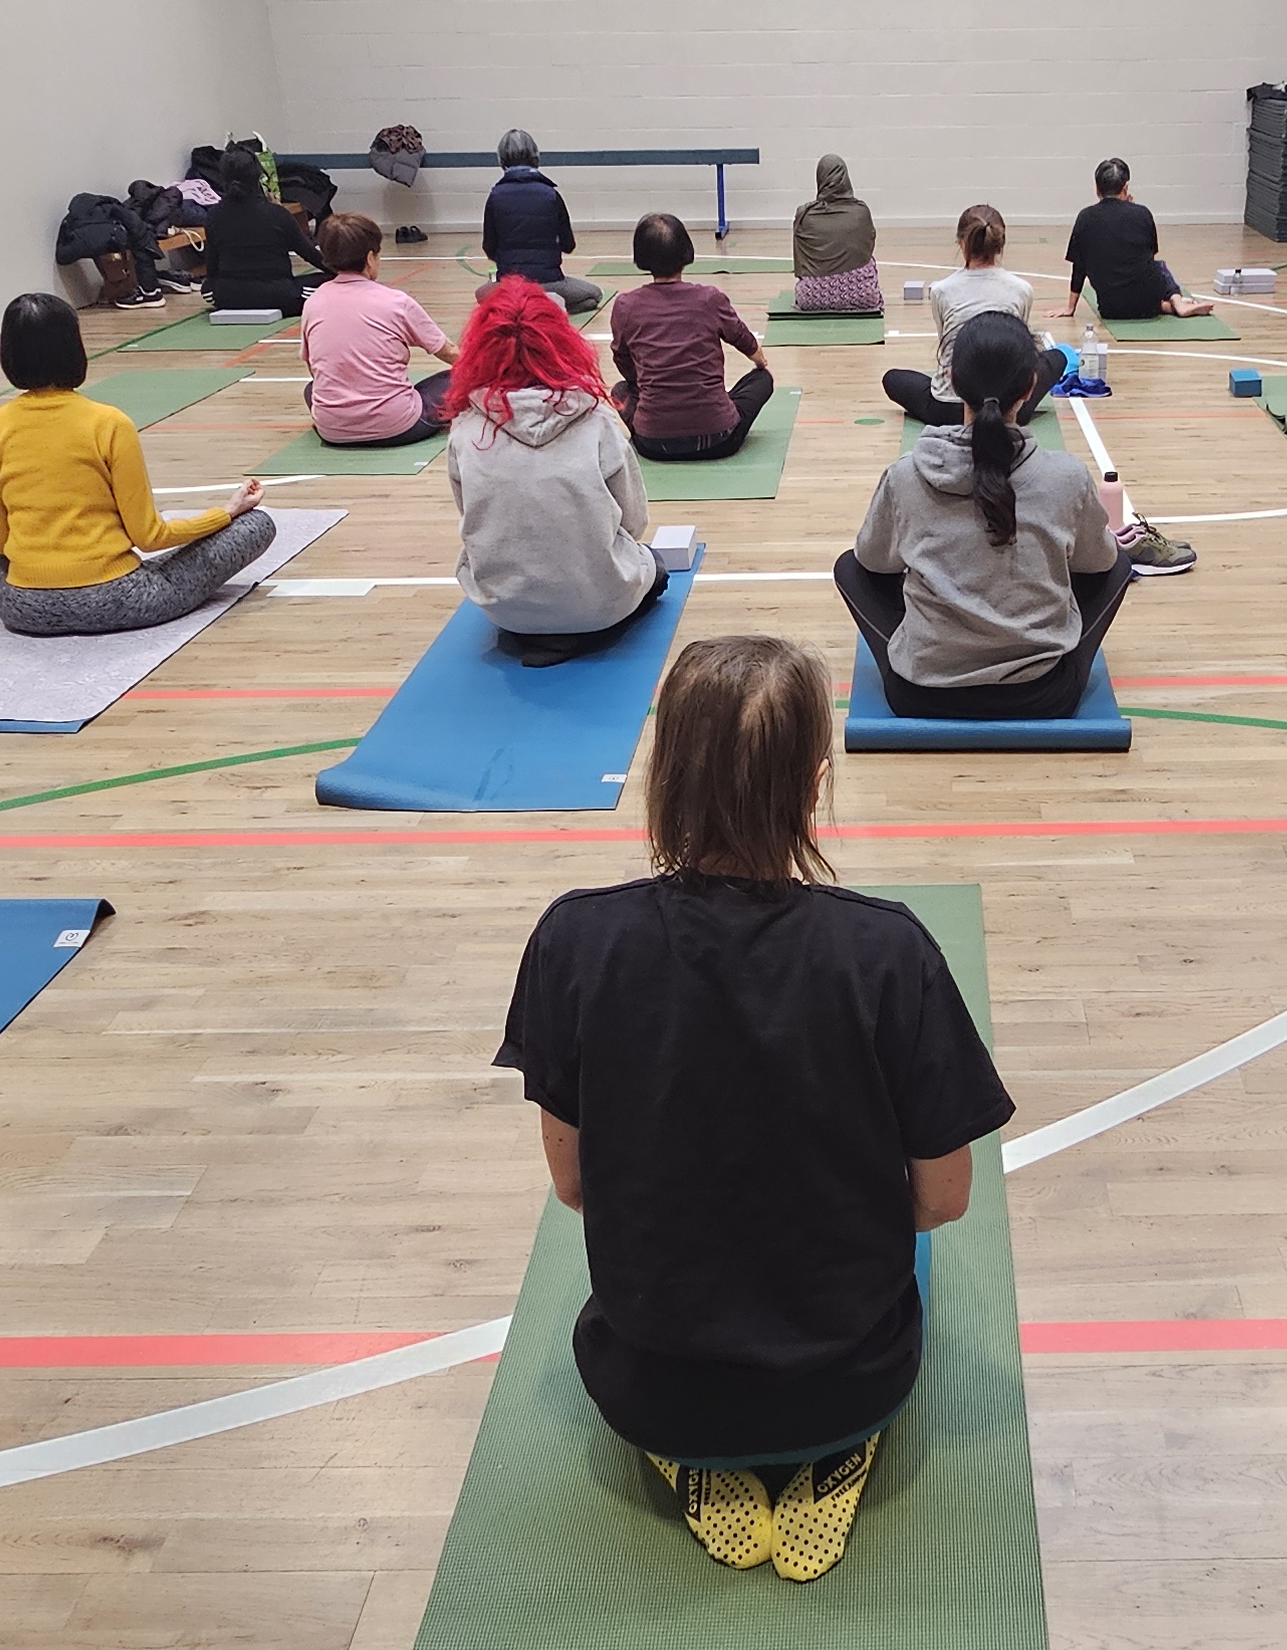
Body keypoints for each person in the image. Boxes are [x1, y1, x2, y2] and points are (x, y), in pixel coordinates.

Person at [494, 634, 1015, 1583]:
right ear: (813, 785)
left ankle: (699, 1453)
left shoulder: (575, 939)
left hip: (651, 1386)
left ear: (664, 779)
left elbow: (573, 1186)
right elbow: (944, 1202)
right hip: (853, 1376)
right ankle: (832, 1447)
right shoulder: (887, 954)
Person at [841, 312, 1132, 719]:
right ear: (1032, 386)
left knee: (849, 568)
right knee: (1118, 563)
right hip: (1043, 693)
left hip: (922, 693)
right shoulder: (1067, 476)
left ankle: (932, 653)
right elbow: (1099, 562)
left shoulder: (904, 475)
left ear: (953, 382)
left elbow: (871, 561)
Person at [0, 293, 278, 638]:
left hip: (23, 609)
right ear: (75, 348)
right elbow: (149, 537)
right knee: (257, 525)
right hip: (117, 600)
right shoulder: (109, 423)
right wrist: (226, 512)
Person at [449, 276, 668, 667]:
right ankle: (571, 632)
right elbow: (634, 522)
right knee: (657, 571)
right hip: (599, 606)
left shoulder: (466, 428)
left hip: (504, 608)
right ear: (563, 342)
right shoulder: (597, 420)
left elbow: (473, 517)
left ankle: (541, 630)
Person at [608, 213, 776, 462]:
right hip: (720, 439)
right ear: (686, 251)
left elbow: (623, 361)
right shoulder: (709, 298)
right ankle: (709, 410)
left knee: (620, 390)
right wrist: (760, 361)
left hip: (652, 444)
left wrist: (643, 383)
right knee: (762, 380)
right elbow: (743, 339)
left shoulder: (625, 305)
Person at [880, 205, 1065, 425]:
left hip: (947, 409)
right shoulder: (1022, 289)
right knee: (1057, 357)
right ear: (1001, 244)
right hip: (1008, 408)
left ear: (961, 242)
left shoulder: (941, 290)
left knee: (892, 378)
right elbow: (1017, 349)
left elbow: (948, 345)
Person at [301, 212, 462, 448]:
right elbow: (448, 352)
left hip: (332, 430)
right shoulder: (396, 302)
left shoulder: (313, 302)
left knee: (312, 389)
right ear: (369, 258)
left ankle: (341, 421)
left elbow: (314, 368)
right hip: (399, 426)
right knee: (457, 377)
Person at [1059, 158, 1213, 322]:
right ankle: (1176, 302)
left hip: (1110, 308)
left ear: (1097, 190)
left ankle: (1167, 306)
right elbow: (1150, 255)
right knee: (1159, 266)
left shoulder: (1085, 217)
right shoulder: (1142, 213)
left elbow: (1079, 266)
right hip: (1148, 303)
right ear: (1125, 188)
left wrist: (1070, 308)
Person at [483, 130, 604, 316]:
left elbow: (489, 248)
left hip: (510, 287)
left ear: (501, 160)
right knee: (594, 295)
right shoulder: (551, 195)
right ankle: (547, 307)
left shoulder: (494, 197)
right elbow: (568, 245)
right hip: (549, 283)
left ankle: (519, 307)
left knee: (481, 295)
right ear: (535, 158)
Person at [206, 183, 324, 318]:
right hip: (279, 295)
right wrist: (342, 272)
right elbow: (309, 253)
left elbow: (211, 267)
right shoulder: (277, 213)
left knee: (209, 288)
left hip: (228, 298)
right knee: (332, 282)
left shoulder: (214, 214)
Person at [788, 154, 882, 314]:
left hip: (811, 298)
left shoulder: (804, 215)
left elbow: (800, 262)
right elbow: (868, 249)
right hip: (862, 295)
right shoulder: (861, 212)